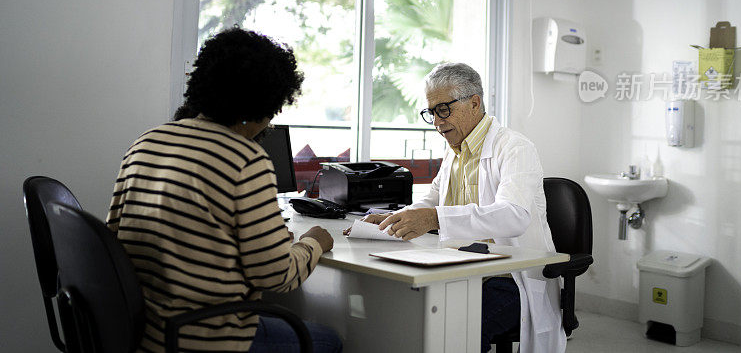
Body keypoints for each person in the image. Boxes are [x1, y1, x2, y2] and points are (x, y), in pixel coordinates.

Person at [107, 27, 342, 353]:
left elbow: (115, 240)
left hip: (142, 332)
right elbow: (278, 277)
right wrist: (313, 243)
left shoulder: (147, 141)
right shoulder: (245, 159)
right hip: (204, 336)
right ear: (267, 101)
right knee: (329, 342)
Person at [365, 62, 566, 353]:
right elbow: (432, 200)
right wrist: (396, 218)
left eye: (443, 110)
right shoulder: (454, 151)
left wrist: (434, 219)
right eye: (431, 112)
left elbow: (514, 216)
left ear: (474, 103)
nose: (436, 122)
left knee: (456, 327)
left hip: (509, 279)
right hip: (463, 271)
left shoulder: (515, 148)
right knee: (410, 312)